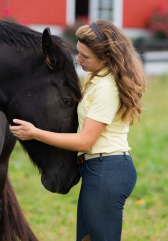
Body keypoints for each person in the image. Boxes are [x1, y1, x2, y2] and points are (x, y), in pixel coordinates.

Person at [9, 19, 145, 241]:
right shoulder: (97, 78)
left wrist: (35, 134)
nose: (79, 59)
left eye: (86, 56)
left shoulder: (106, 89)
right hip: (97, 169)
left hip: (106, 171)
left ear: (106, 57)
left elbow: (85, 142)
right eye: (78, 52)